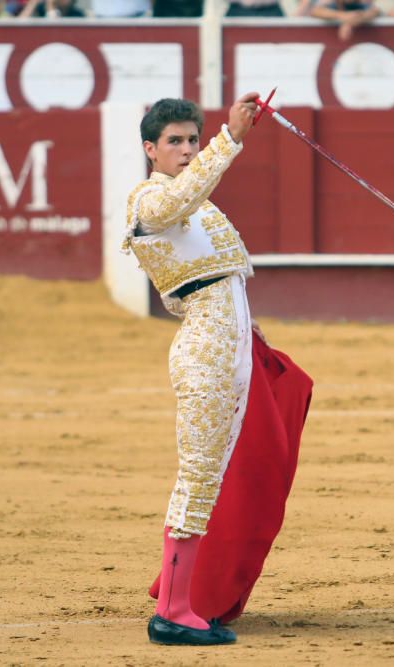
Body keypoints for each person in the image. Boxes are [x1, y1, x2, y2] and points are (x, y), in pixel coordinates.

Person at [123, 94, 261, 646]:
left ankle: (185, 596)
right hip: (204, 352)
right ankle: (174, 612)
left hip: (228, 346)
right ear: (149, 150)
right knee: (199, 476)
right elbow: (178, 199)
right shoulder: (149, 199)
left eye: (192, 140)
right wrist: (229, 140)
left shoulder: (197, 206)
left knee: (219, 471)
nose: (185, 150)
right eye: (174, 141)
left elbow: (226, 283)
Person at [310, 0, 381, 42]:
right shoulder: (333, 4)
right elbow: (315, 11)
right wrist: (342, 15)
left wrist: (349, 23)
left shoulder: (361, 4)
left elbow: (374, 12)